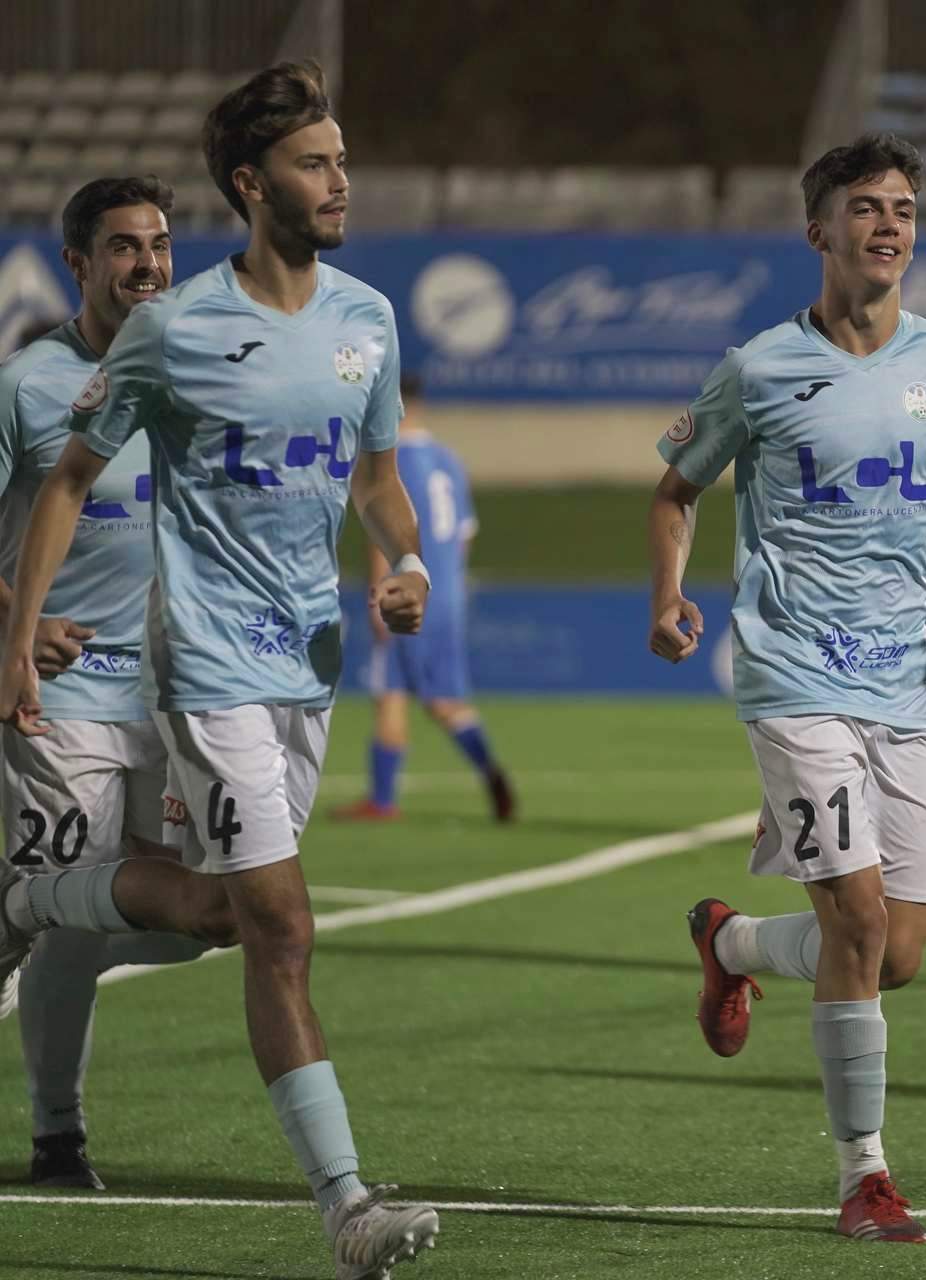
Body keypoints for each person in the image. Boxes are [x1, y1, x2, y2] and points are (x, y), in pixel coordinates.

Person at [0, 62, 440, 1277]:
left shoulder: (366, 318)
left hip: (310, 662)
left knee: (228, 924)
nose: (340, 180)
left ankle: (41, 897)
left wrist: (405, 559)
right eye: (316, 162)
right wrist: (13, 637)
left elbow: (378, 476)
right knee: (282, 922)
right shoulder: (172, 328)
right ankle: (346, 1203)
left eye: (343, 159)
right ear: (253, 185)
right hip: (202, 664)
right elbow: (71, 477)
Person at [649, 132, 926, 1244]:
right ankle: (863, 1175)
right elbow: (676, 489)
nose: (890, 225)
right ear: (818, 229)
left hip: (899, 683)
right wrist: (671, 596)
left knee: (900, 950)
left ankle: (729, 943)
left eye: (906, 208)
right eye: (867, 207)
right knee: (862, 917)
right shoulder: (759, 366)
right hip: (790, 672)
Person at [0, 175, 216, 1191]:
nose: (148, 263)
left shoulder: (194, 377)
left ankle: (13, 909)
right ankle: (57, 1137)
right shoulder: (26, 384)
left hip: (172, 700)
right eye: (124, 246)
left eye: (160, 243)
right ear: (80, 265)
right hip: (61, 696)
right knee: (70, 915)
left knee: (199, 915)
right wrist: (18, 619)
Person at [334, 373, 513, 824]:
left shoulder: (388, 461)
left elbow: (383, 532)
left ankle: (384, 798)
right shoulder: (448, 460)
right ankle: (483, 769)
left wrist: (381, 592)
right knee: (428, 694)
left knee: (397, 692)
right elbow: (465, 537)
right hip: (448, 591)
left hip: (407, 592)